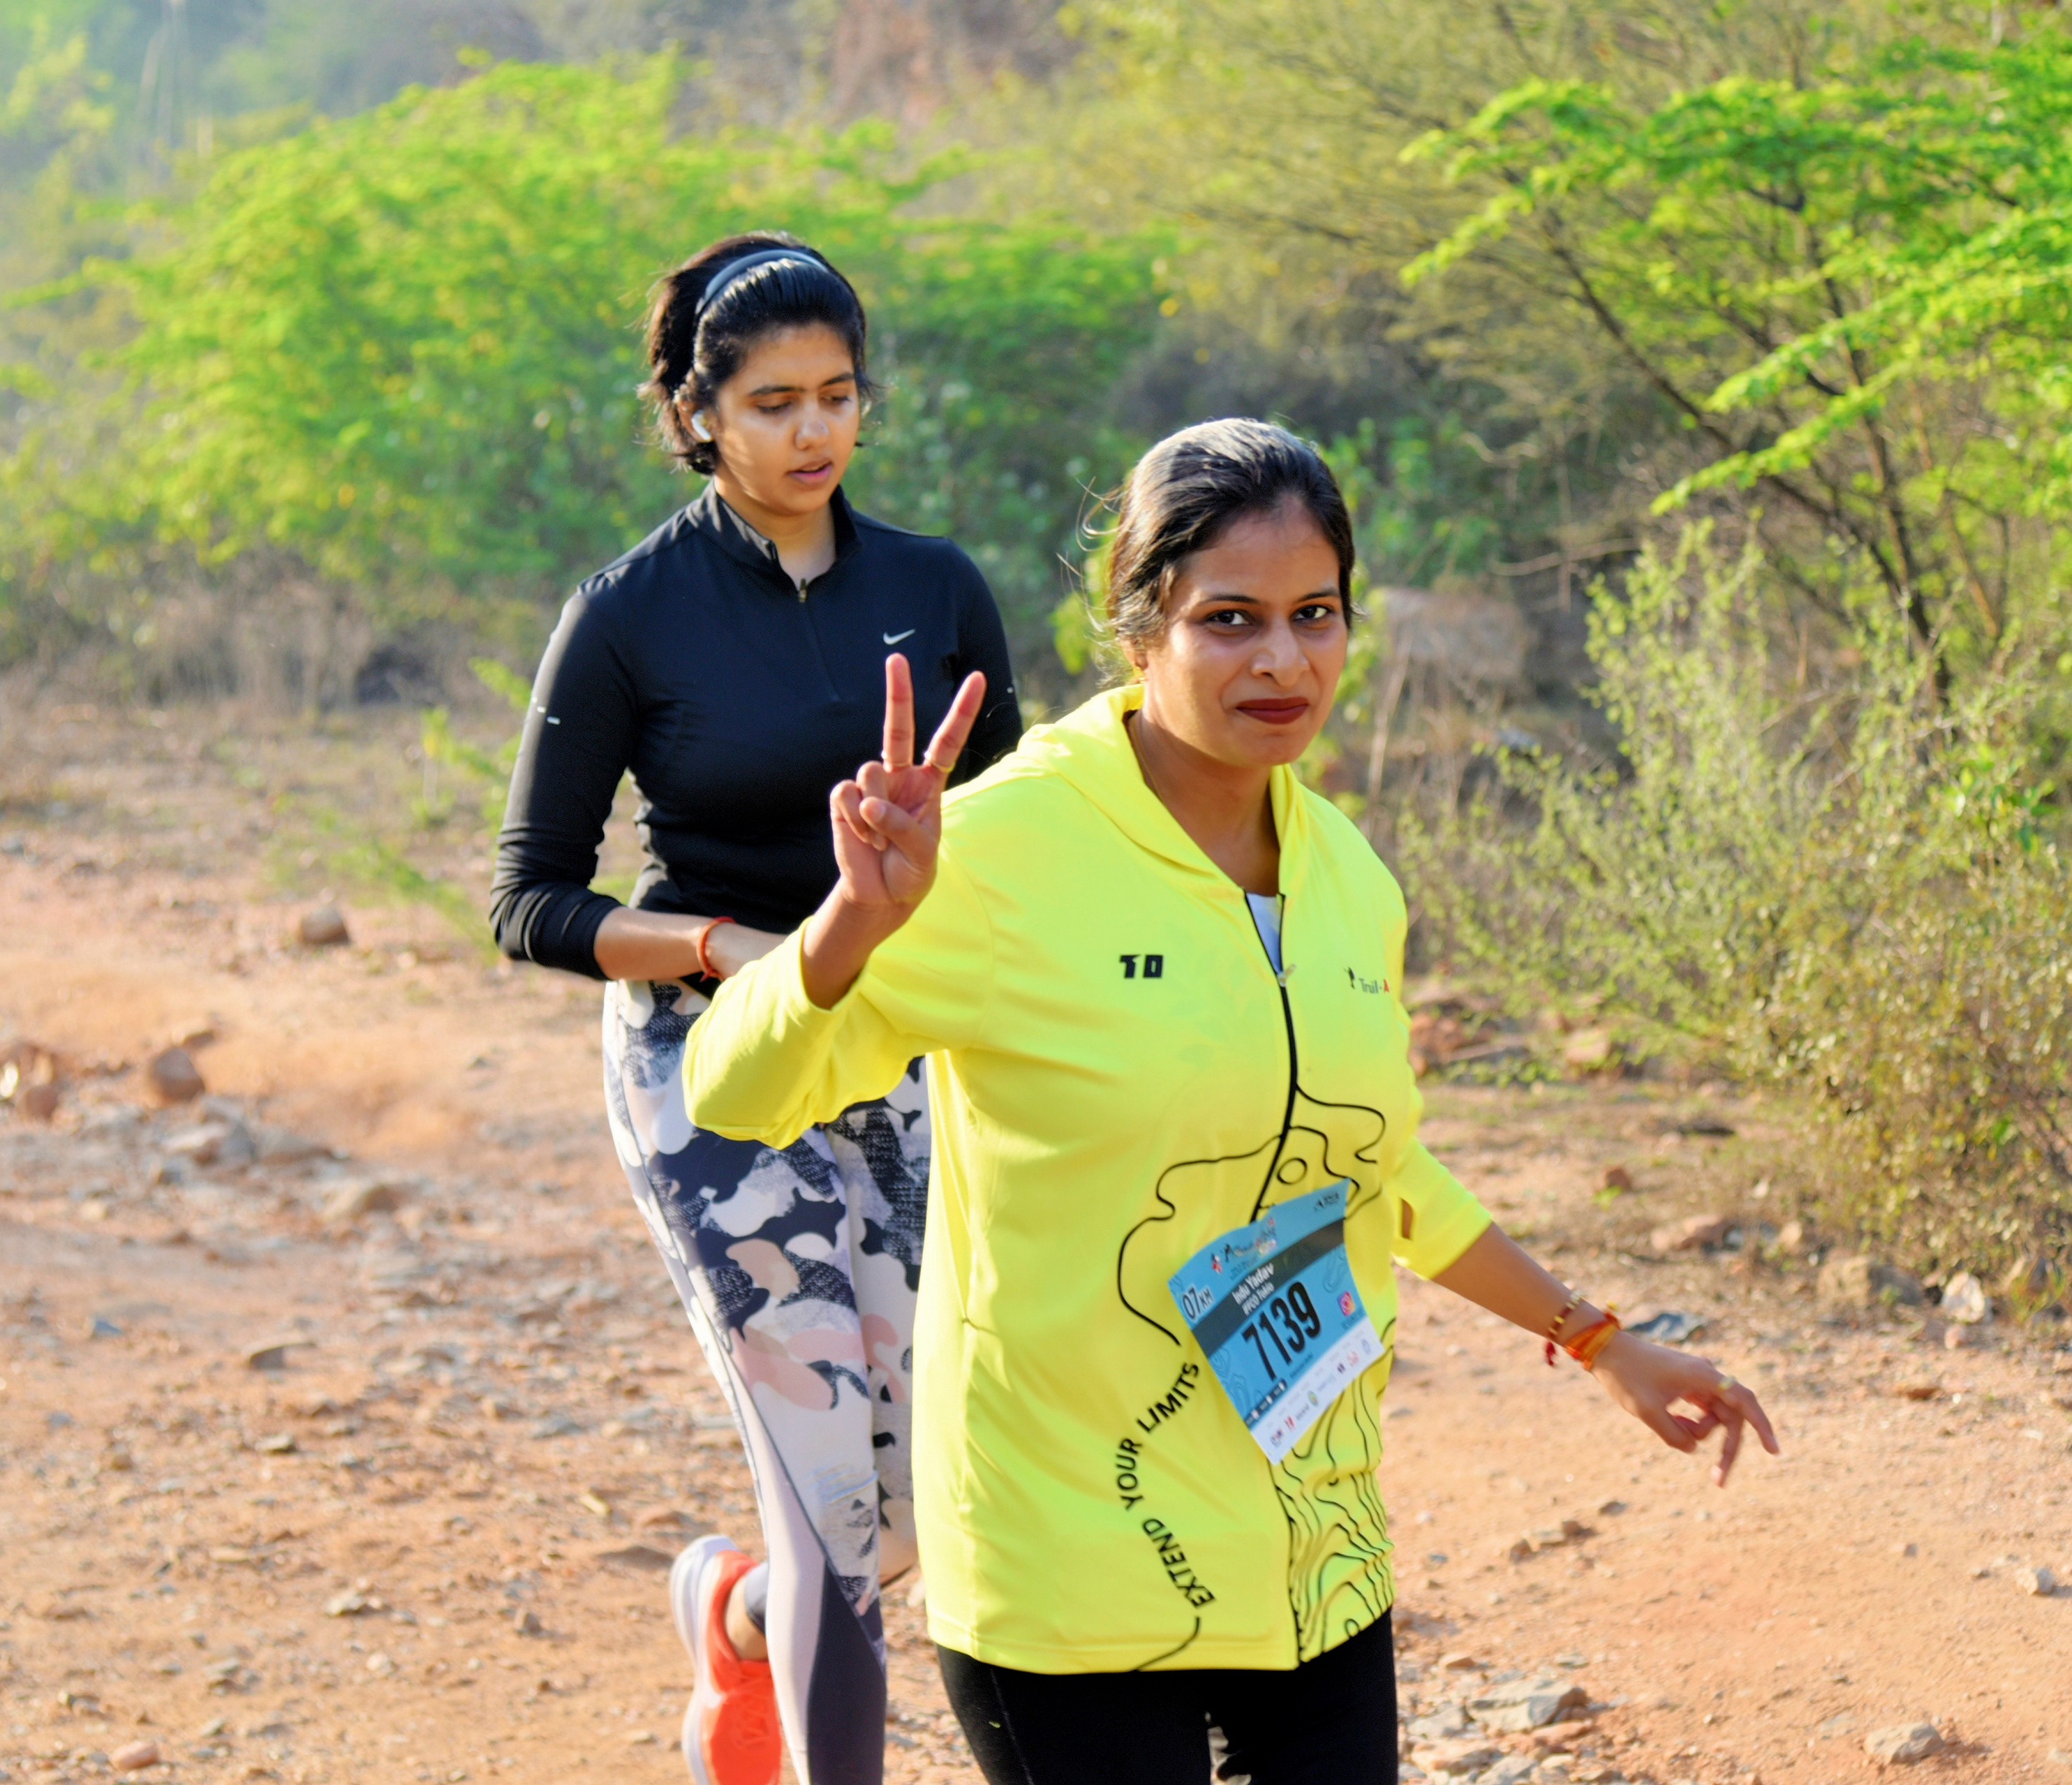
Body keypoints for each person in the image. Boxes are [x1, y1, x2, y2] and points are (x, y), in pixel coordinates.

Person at [681, 419, 1779, 1785]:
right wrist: (851, 920)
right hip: (1069, 1553)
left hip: (1310, 1546)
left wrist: (1599, 1337)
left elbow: (1376, 1169)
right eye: (1230, 619)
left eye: (1315, 614)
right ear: (1142, 631)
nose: (1283, 660)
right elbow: (733, 1088)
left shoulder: (1350, 879)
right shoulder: (1001, 847)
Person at [489, 232, 1023, 1785]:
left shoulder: (935, 588)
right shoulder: (628, 613)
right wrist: (735, 951)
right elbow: (531, 900)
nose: (813, 432)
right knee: (834, 1501)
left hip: (900, 1045)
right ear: (698, 413)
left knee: (931, 1483)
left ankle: (730, 1612)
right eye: (774, 402)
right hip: (709, 1060)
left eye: (838, 395)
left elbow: (1016, 841)